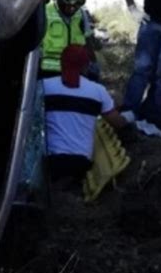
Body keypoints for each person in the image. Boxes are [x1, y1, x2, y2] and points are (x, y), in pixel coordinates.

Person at [43, 45, 129, 185]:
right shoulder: (98, 91)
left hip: (50, 161)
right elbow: (118, 123)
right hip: (81, 163)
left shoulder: (44, 87)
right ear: (86, 66)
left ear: (61, 63)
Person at [41, 0, 99, 79]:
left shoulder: (81, 15)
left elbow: (88, 43)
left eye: (79, 2)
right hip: (46, 73)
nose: (73, 7)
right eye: (69, 1)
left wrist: (94, 66)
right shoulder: (45, 12)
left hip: (74, 73)